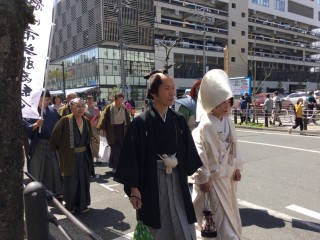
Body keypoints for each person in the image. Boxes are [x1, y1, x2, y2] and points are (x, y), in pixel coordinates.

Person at [114, 70, 202, 239]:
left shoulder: (178, 120)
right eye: (167, 89)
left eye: (173, 88)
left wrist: (195, 174)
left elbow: (187, 151)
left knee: (182, 221)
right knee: (156, 225)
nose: (172, 93)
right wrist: (134, 188)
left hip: (176, 177)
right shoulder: (140, 123)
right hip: (152, 181)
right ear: (154, 93)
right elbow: (132, 157)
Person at [192, 69, 244, 240]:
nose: (226, 106)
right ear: (212, 103)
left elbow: (235, 147)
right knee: (217, 218)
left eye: (228, 102)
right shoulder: (205, 125)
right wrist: (203, 177)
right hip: (212, 181)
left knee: (228, 213)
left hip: (227, 179)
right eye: (222, 103)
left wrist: (237, 167)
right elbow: (199, 152)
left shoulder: (229, 122)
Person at [49, 98, 95, 214]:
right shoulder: (65, 120)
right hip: (70, 156)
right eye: (77, 106)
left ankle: (82, 205)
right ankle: (70, 206)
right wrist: (62, 150)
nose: (80, 109)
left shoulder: (86, 121)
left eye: (82, 106)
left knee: (83, 180)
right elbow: (55, 137)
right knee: (71, 181)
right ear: (71, 107)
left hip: (84, 155)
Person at [23, 90, 63, 199]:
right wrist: (36, 124)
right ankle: (37, 193)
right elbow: (26, 128)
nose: (45, 102)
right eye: (42, 99)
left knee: (53, 168)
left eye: (47, 99)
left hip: (51, 143)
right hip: (38, 144)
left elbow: (59, 125)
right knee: (38, 169)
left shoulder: (52, 111)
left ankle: (54, 191)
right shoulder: (31, 111)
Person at [97, 92, 131, 173]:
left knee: (122, 148)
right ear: (115, 100)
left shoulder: (124, 108)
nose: (120, 103)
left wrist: (131, 129)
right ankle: (115, 167)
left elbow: (128, 120)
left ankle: (120, 165)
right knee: (115, 149)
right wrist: (101, 128)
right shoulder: (109, 108)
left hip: (122, 130)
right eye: (118, 101)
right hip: (112, 130)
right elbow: (103, 118)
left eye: (121, 101)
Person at [84, 95, 101, 163]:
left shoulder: (96, 109)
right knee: (86, 142)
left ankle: (97, 157)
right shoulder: (84, 108)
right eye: (88, 100)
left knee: (96, 142)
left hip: (94, 127)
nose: (90, 101)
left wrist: (99, 126)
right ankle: (88, 157)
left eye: (91, 100)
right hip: (86, 127)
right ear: (86, 101)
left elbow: (99, 118)